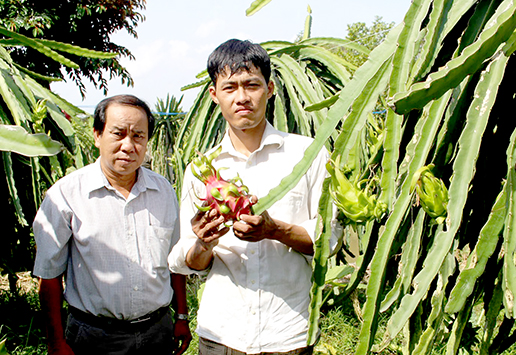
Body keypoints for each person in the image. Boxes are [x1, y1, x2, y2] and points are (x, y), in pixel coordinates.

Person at [168, 39, 338, 355]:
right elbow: (187, 260)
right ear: (214, 95)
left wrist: (275, 231)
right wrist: (204, 242)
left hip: (288, 335)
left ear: (270, 88)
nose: (242, 97)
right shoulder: (201, 170)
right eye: (230, 87)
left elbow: (330, 241)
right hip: (221, 335)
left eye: (252, 85)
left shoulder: (310, 154)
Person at [33, 94, 192, 355]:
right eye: (118, 134)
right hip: (93, 337)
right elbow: (49, 275)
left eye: (138, 136)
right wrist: (55, 342)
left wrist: (182, 316)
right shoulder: (66, 195)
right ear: (97, 135)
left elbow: (174, 261)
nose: (128, 146)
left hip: (157, 332)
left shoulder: (162, 190)